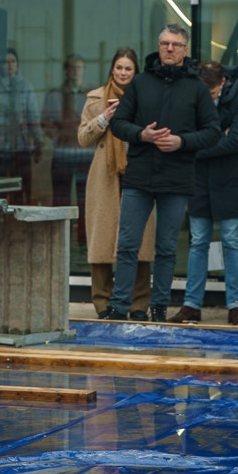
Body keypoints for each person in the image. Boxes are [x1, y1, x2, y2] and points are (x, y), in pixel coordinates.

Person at [102, 24, 220, 322]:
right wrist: (143, 135)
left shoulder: (196, 88)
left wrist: (182, 141)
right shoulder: (141, 83)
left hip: (176, 177)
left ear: (185, 50)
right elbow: (118, 124)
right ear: (158, 46)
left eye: (176, 44)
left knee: (166, 248)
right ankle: (118, 307)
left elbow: (212, 131)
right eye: (165, 43)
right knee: (127, 244)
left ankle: (159, 307)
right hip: (139, 175)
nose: (169, 49)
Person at [169, 60, 238, 326]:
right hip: (200, 180)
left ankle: (235, 306)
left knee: (231, 240)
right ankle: (191, 304)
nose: (208, 97)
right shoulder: (191, 92)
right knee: (198, 241)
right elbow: (183, 134)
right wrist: (216, 138)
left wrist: (198, 144)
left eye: (212, 92)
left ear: (223, 83)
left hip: (232, 178)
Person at [78, 49, 153, 317]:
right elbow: (83, 138)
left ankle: (139, 303)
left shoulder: (146, 96)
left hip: (137, 170)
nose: (123, 73)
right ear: (112, 69)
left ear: (135, 72)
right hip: (105, 175)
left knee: (140, 241)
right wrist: (103, 119)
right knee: (102, 240)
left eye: (128, 69)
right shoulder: (96, 98)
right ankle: (102, 302)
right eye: (119, 68)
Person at [42, 54, 91, 245]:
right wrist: (58, 136)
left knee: (85, 200)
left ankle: (83, 240)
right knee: (60, 198)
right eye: (72, 68)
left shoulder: (89, 96)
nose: (76, 72)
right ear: (66, 71)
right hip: (62, 154)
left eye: (79, 68)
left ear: (83, 71)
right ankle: (60, 239)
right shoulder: (54, 95)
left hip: (85, 154)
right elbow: (45, 122)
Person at [0, 47, 40, 204]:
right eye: (6, 62)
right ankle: (1, 221)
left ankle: (20, 221)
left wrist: (38, 141)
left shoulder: (26, 87)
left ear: (17, 64)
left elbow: (32, 116)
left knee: (22, 187)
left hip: (22, 146)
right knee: (0, 187)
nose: (10, 65)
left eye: (13, 61)